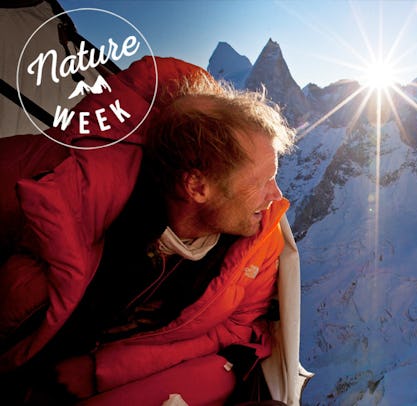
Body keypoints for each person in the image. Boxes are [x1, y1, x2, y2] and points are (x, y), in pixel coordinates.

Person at [0, 57, 309, 405]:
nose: (277, 197)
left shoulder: (258, 244)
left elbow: (238, 329)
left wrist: (101, 369)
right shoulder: (55, 186)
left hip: (112, 371)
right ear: (197, 186)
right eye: (263, 182)